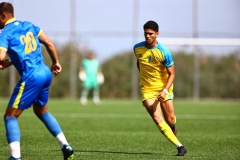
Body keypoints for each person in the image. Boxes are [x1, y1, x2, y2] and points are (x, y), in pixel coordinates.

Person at [0, 2, 74, 160]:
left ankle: (15, 157)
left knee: (10, 117)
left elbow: (0, 56)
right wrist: (56, 62)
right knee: (41, 111)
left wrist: (2, 61)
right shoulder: (29, 25)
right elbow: (48, 43)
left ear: (3, 16)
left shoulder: (5, 32)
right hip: (45, 72)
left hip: (32, 76)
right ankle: (65, 146)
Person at [133, 20, 187, 156]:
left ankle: (172, 127)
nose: (148, 36)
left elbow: (172, 73)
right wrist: (145, 80)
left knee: (170, 119)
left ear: (157, 34)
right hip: (147, 90)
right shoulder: (137, 48)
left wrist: (164, 90)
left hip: (164, 87)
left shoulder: (164, 52)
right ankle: (180, 146)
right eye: (145, 33)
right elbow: (140, 63)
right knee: (157, 117)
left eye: (151, 34)